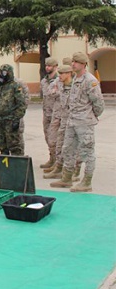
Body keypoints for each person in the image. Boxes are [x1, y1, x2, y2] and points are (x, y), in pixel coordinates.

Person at [50, 52, 104, 192]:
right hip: (72, 121)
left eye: (76, 62)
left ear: (83, 64)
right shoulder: (75, 79)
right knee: (67, 149)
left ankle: (86, 182)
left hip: (84, 123)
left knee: (87, 152)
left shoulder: (90, 80)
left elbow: (98, 104)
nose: (73, 64)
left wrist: (89, 116)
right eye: (73, 61)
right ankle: (67, 178)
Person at [44, 65, 74, 179]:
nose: (59, 75)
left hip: (71, 119)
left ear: (68, 73)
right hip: (60, 116)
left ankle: (71, 171)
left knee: (70, 146)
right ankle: (58, 166)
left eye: (62, 73)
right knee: (57, 142)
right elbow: (49, 92)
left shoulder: (76, 85)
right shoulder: (59, 83)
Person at [0, 64, 27, 155]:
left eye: (5, 72)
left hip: (10, 119)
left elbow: (21, 104)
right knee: (1, 144)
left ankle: (16, 165)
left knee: (14, 145)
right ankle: (5, 165)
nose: (3, 74)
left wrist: (16, 118)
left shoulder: (15, 86)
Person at [40, 57, 59, 168]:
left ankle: (58, 161)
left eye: (50, 66)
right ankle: (52, 158)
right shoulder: (44, 81)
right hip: (46, 113)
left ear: (55, 66)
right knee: (47, 136)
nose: (47, 67)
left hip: (55, 113)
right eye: (46, 65)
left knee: (55, 138)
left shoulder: (58, 80)